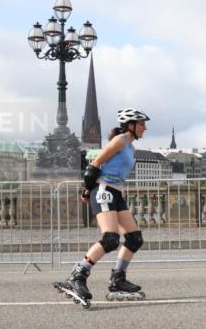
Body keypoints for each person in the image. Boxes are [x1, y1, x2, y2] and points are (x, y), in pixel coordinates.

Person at [62, 108, 150, 305]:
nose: (145, 128)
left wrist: (120, 188)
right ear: (130, 125)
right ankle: (78, 276)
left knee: (134, 238)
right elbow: (95, 164)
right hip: (104, 190)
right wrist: (87, 189)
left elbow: (117, 170)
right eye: (142, 124)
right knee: (110, 239)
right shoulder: (120, 141)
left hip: (116, 192)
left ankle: (118, 279)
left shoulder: (131, 148)